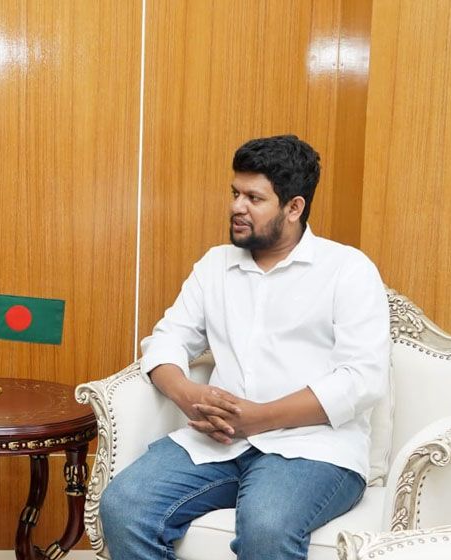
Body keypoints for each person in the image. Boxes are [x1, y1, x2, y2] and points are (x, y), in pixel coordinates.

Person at [99, 135, 390, 560]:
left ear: (294, 208)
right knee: (125, 506)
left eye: (254, 198)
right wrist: (189, 395)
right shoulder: (215, 265)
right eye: (235, 193)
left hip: (313, 448)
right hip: (218, 441)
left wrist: (258, 418)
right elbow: (167, 339)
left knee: (267, 526)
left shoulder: (347, 269)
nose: (237, 206)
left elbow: (362, 379)